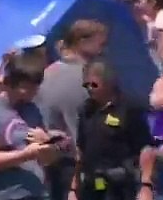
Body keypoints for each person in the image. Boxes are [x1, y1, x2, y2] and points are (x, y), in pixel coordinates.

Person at [0, 49, 67, 200]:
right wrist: (25, 155)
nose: (32, 92)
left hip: (38, 194)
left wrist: (48, 144)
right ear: (10, 83)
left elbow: (46, 159)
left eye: (35, 87)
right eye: (27, 87)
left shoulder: (34, 110)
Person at [37, 20, 108, 200]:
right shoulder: (88, 79)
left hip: (51, 161)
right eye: (101, 44)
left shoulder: (47, 72)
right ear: (82, 42)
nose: (103, 50)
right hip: (79, 164)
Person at [75, 60, 156, 200]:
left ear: (109, 82)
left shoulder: (129, 109)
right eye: (86, 85)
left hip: (122, 186)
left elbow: (145, 148)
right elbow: (80, 150)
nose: (89, 88)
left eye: (94, 84)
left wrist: (146, 185)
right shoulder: (86, 111)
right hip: (93, 185)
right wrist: (73, 188)